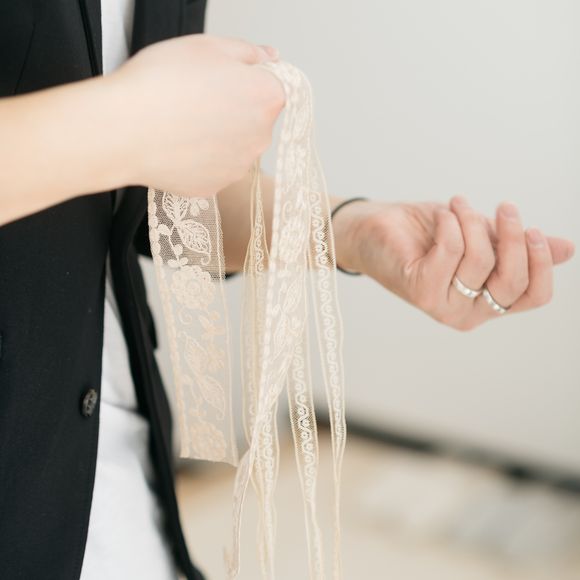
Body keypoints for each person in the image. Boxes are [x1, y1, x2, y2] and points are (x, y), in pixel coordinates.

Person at [0, 1, 575, 579]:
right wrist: (135, 121)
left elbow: (160, 202)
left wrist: (352, 231)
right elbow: (127, 138)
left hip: (113, 477)